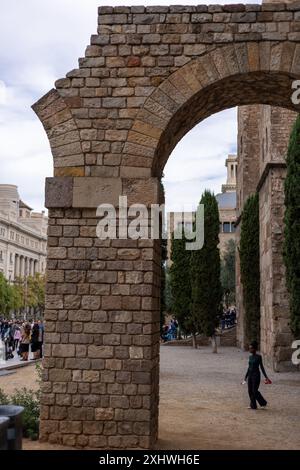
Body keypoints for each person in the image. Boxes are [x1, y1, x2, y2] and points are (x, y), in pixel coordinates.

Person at [242, 341, 270, 410]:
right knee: (249, 390)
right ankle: (253, 405)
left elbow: (262, 367)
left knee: (254, 390)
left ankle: (263, 403)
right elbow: (249, 367)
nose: (249, 349)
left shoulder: (259, 357)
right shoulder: (250, 357)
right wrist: (245, 377)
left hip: (256, 375)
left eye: (251, 348)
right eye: (249, 348)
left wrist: (266, 377)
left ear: (254, 349)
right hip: (250, 375)